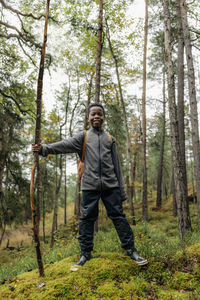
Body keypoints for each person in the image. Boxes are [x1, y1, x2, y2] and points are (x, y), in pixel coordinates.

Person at [32, 103, 148, 266]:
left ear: (103, 117)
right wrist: (44, 149)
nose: (96, 117)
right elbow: (64, 145)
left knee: (119, 217)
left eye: (99, 114)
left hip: (111, 186)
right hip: (89, 187)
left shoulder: (110, 139)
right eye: (93, 114)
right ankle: (85, 254)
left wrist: (121, 192)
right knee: (86, 219)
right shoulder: (83, 137)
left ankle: (131, 251)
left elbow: (117, 167)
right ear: (88, 117)